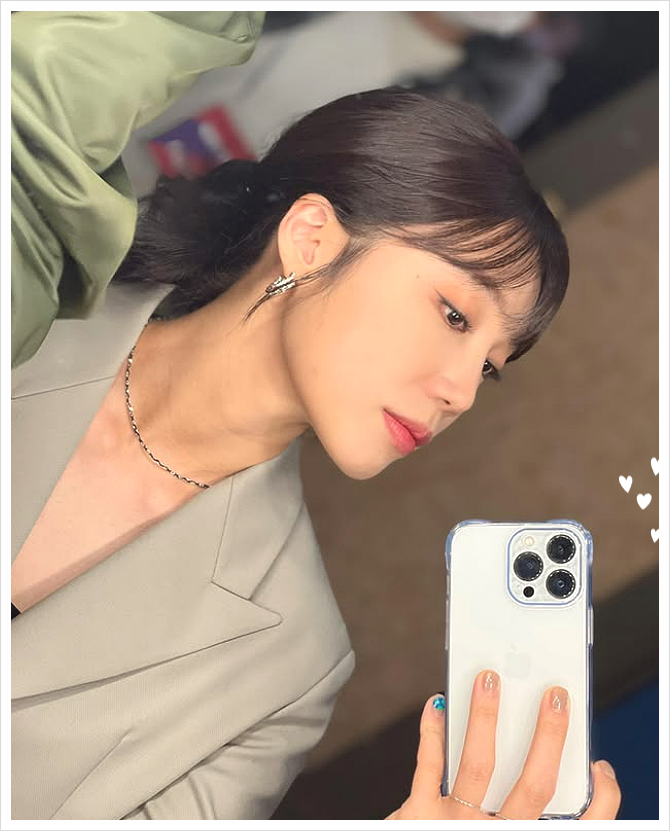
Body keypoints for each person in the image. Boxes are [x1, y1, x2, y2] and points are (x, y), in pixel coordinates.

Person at [10, 10, 621, 821]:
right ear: (310, 237)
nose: (462, 392)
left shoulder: (290, 668)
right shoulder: (28, 293)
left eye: (489, 367)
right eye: (454, 314)